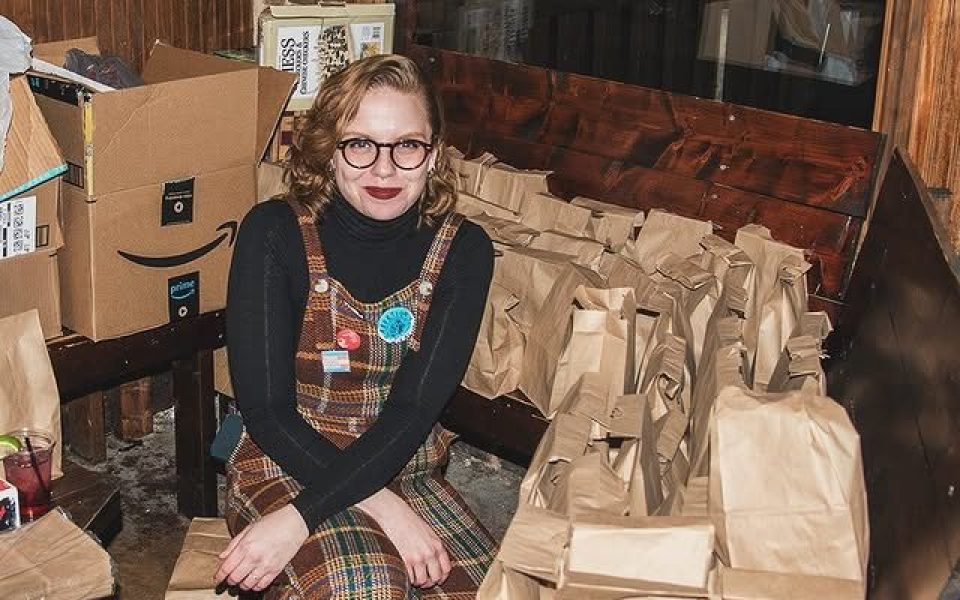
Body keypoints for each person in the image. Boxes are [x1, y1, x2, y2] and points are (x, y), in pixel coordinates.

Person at [216, 54, 497, 598]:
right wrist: (353, 510)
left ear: (433, 153)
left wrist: (388, 500)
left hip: (404, 463)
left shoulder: (464, 250)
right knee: (364, 587)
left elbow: (413, 411)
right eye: (360, 144)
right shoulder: (275, 232)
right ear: (329, 150)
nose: (384, 170)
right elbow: (268, 414)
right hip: (288, 460)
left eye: (407, 146)